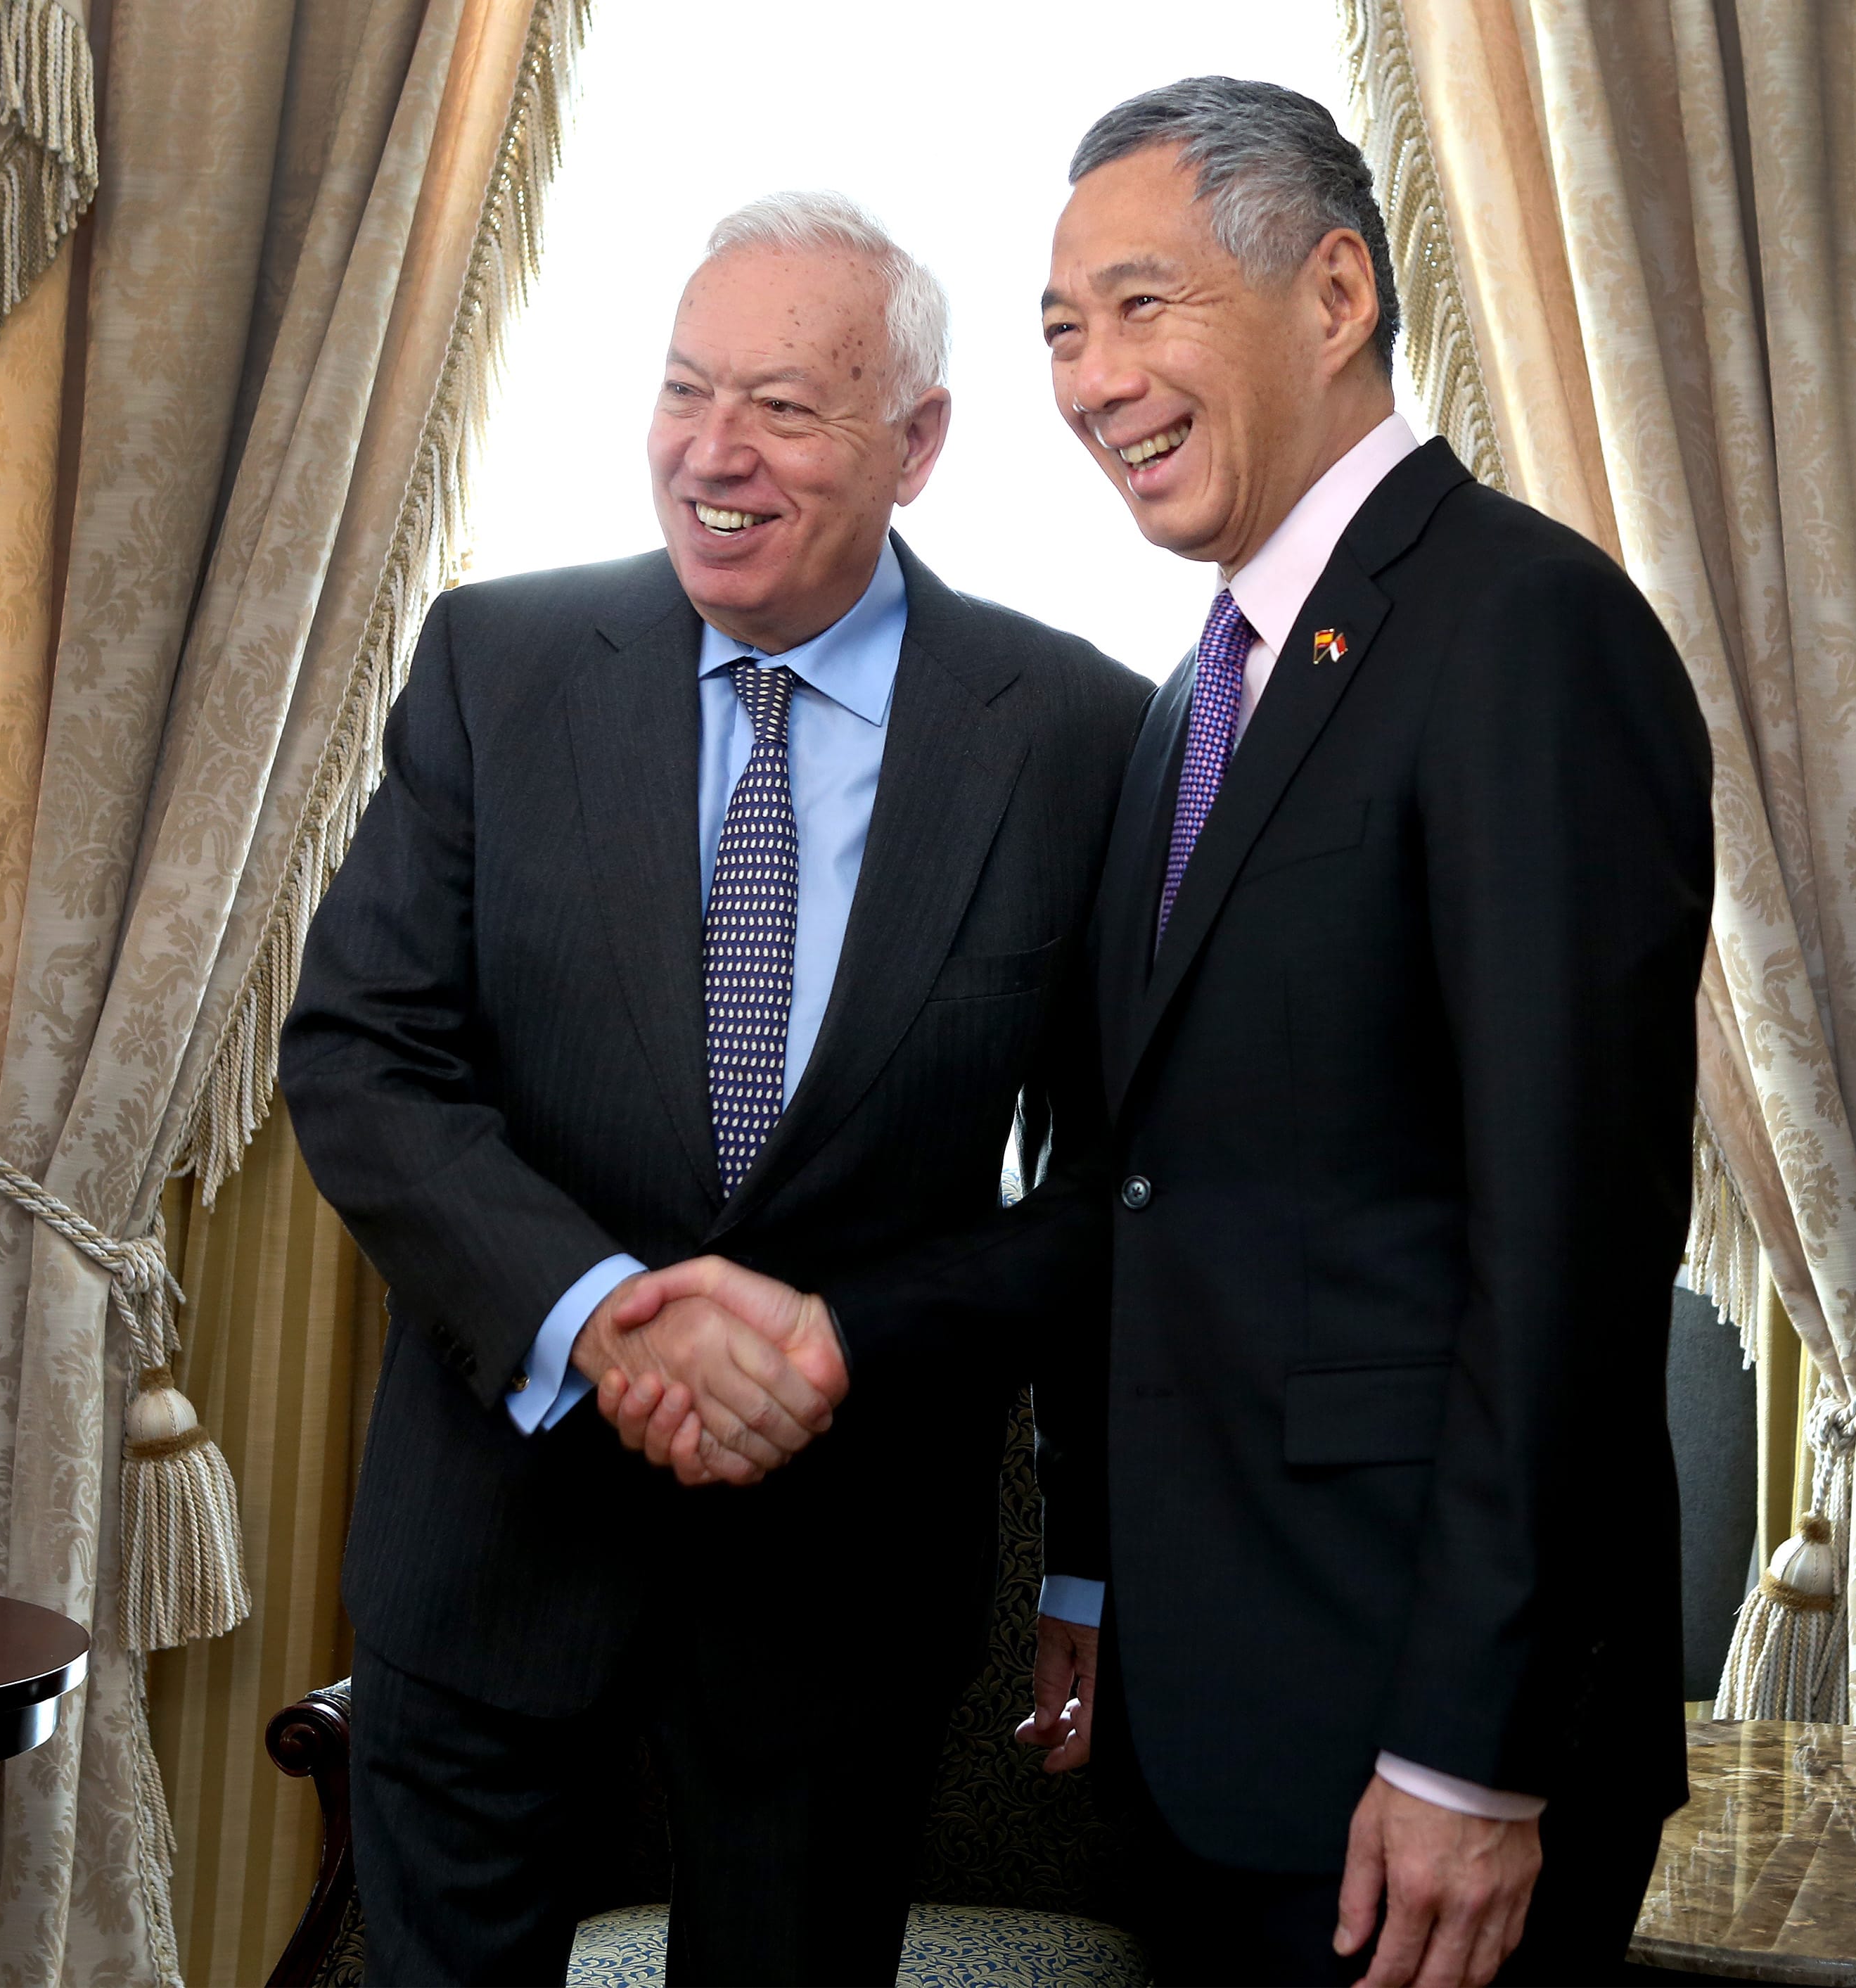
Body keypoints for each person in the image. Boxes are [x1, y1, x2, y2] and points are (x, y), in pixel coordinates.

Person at [280, 191, 1148, 1986]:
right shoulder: (493, 665)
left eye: (781, 405)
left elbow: (1103, 1193)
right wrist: (605, 1323)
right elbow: (364, 1056)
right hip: (494, 1543)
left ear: (915, 444)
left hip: (840, 1580)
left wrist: (1079, 1554)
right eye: (684, 392)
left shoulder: (1073, 732)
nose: (711, 454)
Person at [1016, 77, 1713, 1988]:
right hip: (1210, 1711)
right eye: (1061, 331)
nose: (1091, 380)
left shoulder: (1526, 634)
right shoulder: (1195, 701)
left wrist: (1470, 1755)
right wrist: (1093, 1578)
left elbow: (1567, 1246)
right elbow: (1147, 1185)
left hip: (1417, 1745)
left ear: (1334, 295)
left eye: (1142, 307)